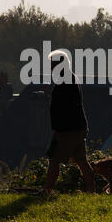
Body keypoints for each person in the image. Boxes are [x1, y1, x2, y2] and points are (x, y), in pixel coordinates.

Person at [43, 50, 96, 196]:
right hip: (77, 127)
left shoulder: (65, 81)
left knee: (54, 160)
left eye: (53, 64)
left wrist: (58, 130)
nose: (51, 67)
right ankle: (92, 192)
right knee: (81, 161)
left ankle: (47, 191)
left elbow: (64, 108)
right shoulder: (71, 78)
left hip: (68, 130)